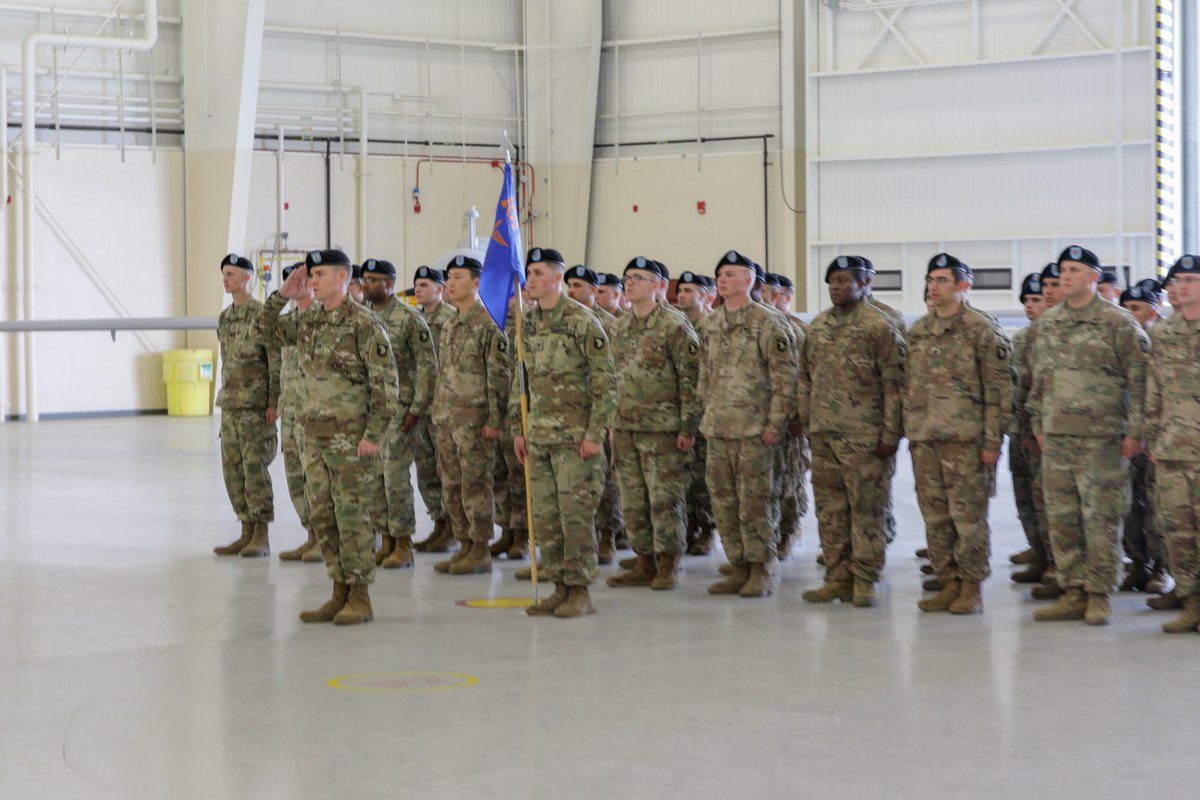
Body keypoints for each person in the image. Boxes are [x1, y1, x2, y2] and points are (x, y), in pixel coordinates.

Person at [266, 249, 400, 625]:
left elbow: (386, 385)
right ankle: (338, 590)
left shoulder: (364, 324)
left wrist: (374, 435)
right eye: (311, 274)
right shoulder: (308, 321)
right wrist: (282, 296)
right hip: (315, 440)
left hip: (351, 442)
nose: (313, 280)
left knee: (353, 519)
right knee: (324, 519)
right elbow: (264, 331)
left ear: (343, 277)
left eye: (320, 274)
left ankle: (360, 596)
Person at [1029, 245, 1149, 625]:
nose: (1066, 275)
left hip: (1104, 439)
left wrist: (1137, 431)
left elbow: (1140, 381)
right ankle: (1072, 590)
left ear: (1094, 277)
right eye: (1063, 269)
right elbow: (1039, 380)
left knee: (1102, 518)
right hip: (1057, 437)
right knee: (1063, 519)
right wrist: (1038, 426)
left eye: (1075, 269)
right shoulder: (1049, 323)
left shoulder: (1118, 323)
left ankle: (1099, 594)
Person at [906, 254, 1013, 614]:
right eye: (930, 281)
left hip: (966, 442)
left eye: (941, 281)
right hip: (926, 440)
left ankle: (971, 587)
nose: (933, 288)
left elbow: (999, 391)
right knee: (935, 518)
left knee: (968, 520)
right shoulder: (919, 330)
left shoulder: (982, 330)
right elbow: (910, 387)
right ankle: (948, 582)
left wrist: (993, 441)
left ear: (963, 285)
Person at [515, 247, 616, 618]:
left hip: (575, 441)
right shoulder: (529, 322)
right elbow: (521, 380)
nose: (532, 279)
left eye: (540, 273)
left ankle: (580, 591)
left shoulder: (582, 321)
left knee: (575, 518)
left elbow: (607, 382)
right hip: (539, 436)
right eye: (529, 272)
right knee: (547, 518)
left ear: (558, 278)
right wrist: (519, 429)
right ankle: (559, 585)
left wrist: (594, 432)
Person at [799, 255, 905, 608]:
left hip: (866, 438)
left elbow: (895, 386)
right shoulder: (818, 327)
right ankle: (838, 577)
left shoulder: (879, 327)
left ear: (864, 284)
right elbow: (805, 379)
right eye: (832, 281)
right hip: (825, 435)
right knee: (830, 512)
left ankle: (865, 579)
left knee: (866, 511)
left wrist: (891, 433)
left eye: (845, 280)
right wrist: (808, 423)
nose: (836, 287)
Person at [699, 250, 794, 598]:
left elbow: (785, 379)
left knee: (755, 504)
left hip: (755, 430)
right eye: (719, 274)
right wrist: (704, 415)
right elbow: (704, 375)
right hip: (718, 427)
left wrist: (776, 423)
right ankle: (738, 566)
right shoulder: (711, 321)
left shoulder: (768, 322)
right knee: (724, 504)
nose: (722, 279)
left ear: (749, 280)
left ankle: (762, 569)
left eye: (730, 274)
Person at [606, 257, 700, 591]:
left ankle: (668, 563)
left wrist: (688, 428)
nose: (629, 283)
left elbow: (691, 382)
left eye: (639, 278)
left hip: (663, 430)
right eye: (627, 277)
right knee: (632, 501)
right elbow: (611, 380)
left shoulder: (674, 327)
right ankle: (644, 560)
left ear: (659, 286)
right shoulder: (619, 327)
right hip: (626, 427)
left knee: (664, 501)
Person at [429, 255, 511, 575]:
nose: (450, 283)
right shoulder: (450, 323)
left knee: (476, 485)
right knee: (452, 484)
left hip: (475, 422)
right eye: (448, 277)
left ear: (476, 282)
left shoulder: (489, 324)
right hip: (448, 419)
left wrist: (494, 420)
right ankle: (463, 543)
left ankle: (480, 548)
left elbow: (499, 377)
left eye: (458, 277)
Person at [361, 258, 437, 570]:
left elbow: (427, 367)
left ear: (389, 284)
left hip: (400, 410)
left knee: (395, 478)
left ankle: (403, 543)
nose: (366, 284)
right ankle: (386, 539)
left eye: (373, 280)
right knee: (375, 479)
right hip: (372, 412)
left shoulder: (409, 319)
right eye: (364, 279)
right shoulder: (364, 317)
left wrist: (417, 409)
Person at [1145, 255, 1200, 632]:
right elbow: (1154, 391)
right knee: (1178, 530)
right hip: (1172, 449)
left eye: (1191, 279)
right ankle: (1192, 600)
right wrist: (1151, 436)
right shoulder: (1164, 333)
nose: (1180, 286)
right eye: (1176, 280)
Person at [212, 253, 280, 558]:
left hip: (256, 408)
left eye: (231, 274)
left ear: (246, 278)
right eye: (224, 274)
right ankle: (245, 530)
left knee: (255, 470)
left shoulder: (261, 315)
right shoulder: (225, 318)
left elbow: (274, 362)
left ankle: (261, 534)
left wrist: (273, 402)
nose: (226, 279)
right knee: (232, 471)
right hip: (231, 406)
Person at [564, 263, 625, 564]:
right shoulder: (565, 321)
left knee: (606, 483)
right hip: (569, 417)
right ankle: (578, 541)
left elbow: (616, 375)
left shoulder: (609, 325)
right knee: (574, 486)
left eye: (578, 286)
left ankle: (608, 536)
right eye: (569, 286)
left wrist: (610, 420)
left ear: (593, 289)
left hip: (599, 414)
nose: (571, 291)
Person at [276, 262, 322, 562]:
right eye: (293, 281)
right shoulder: (287, 322)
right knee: (295, 478)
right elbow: (260, 331)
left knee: (318, 479)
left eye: (303, 278)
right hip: (290, 411)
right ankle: (310, 533)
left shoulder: (323, 318)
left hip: (316, 414)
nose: (299, 284)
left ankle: (324, 537)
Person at [1118, 283, 1163, 592]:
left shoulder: (1164, 343)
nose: (1131, 313)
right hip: (1126, 434)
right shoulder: (1122, 344)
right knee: (1129, 504)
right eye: (1127, 307)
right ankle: (1137, 563)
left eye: (1137, 308)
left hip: (1159, 439)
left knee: (1157, 507)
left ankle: (1162, 568)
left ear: (1152, 311)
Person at [1007, 272, 1049, 582]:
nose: (1031, 306)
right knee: (1026, 496)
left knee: (1047, 498)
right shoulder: (1020, 339)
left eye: (1037, 300)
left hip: (1044, 431)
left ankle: (1052, 558)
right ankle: (1037, 548)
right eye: (1027, 301)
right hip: (1019, 428)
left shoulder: (1051, 336)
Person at [671, 271, 716, 555]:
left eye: (690, 290)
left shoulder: (712, 327)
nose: (682, 294)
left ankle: (709, 529)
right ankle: (687, 526)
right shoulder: (675, 326)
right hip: (680, 412)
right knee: (683, 476)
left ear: (705, 296)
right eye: (681, 290)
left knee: (704, 477)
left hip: (707, 413)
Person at [766, 273, 811, 560]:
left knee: (791, 480)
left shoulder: (801, 330)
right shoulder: (761, 326)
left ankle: (789, 531)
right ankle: (768, 534)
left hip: (792, 421)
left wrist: (800, 418)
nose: (767, 298)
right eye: (763, 292)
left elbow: (807, 379)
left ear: (786, 296)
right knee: (767, 482)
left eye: (773, 293)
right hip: (763, 417)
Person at [412, 265, 456, 552]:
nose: (419, 289)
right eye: (417, 284)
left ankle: (453, 527)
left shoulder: (451, 319)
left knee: (446, 470)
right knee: (426, 470)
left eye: (425, 284)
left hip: (443, 406)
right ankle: (438, 523)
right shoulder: (414, 319)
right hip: (420, 404)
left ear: (440, 289)